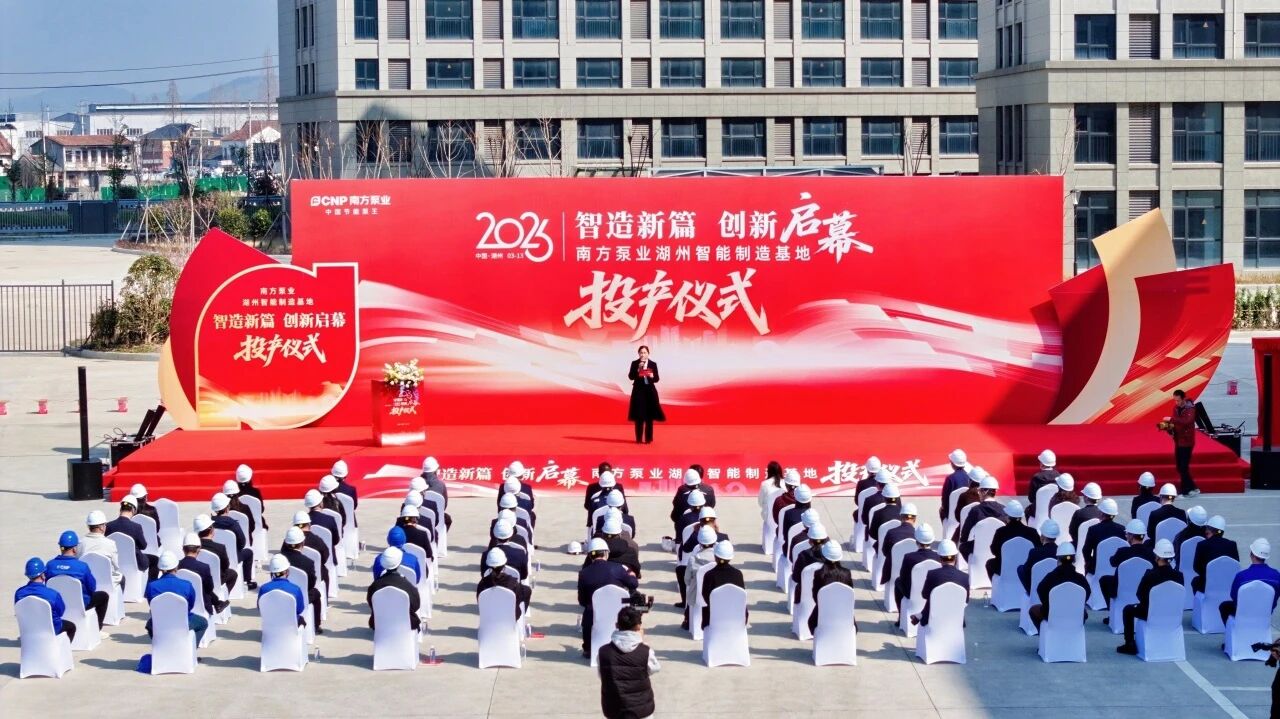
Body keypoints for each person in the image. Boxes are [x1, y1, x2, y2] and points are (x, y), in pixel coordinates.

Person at [1116, 539, 1184, 654]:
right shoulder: (1179, 576)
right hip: (1172, 614)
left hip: (1151, 613)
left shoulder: (1150, 575)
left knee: (1128, 610)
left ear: (1157, 556)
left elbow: (1140, 594)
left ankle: (1129, 643)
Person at [578, 537, 639, 658]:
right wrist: (632, 575)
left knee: (587, 611)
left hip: (595, 614)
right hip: (618, 613)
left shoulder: (583, 573)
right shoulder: (618, 568)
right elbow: (633, 584)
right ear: (606, 553)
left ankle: (588, 648)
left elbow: (582, 601)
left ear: (590, 555)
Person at [596, 607, 660, 719]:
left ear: (616, 625)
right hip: (642, 710)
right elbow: (655, 668)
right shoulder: (645, 651)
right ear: (638, 627)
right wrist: (642, 642)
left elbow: (602, 675)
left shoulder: (603, 652)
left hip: (614, 710)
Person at [46, 530, 110, 629]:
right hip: (80, 605)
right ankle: (98, 629)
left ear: (61, 547)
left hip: (57, 604)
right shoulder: (82, 567)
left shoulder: (50, 565)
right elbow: (92, 587)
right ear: (75, 549)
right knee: (103, 596)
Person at [145, 551, 209, 645]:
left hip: (161, 622)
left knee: (149, 625)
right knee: (203, 623)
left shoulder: (151, 586)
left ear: (160, 568)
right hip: (183, 622)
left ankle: (161, 646)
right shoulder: (187, 585)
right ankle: (190, 648)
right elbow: (190, 606)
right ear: (176, 567)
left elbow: (152, 605)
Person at [1028, 542, 1089, 629]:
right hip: (1075, 615)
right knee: (1084, 613)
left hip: (1053, 615)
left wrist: (1049, 606)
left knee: (1033, 610)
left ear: (1058, 560)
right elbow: (1087, 594)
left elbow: (1040, 591)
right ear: (1074, 560)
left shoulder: (1050, 577)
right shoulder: (1081, 578)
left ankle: (1045, 633)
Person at [1218, 539, 1280, 625]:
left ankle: (1233, 630)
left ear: (1252, 554)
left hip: (1244, 613)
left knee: (1224, 606)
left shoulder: (1241, 576)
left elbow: (1234, 596)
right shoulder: (1277, 575)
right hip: (1265, 614)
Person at [16, 557, 75, 642]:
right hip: (52, 629)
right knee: (72, 627)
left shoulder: (19, 594)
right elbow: (61, 612)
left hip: (30, 629)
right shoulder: (53, 594)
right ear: (43, 575)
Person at [1099, 519, 1157, 606]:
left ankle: (1111, 608)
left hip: (1123, 588)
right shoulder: (1151, 553)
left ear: (1131, 536)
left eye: (1127, 534)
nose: (1126, 536)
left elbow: (1112, 562)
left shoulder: (1122, 552)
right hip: (1143, 589)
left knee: (1104, 580)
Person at [280, 526, 325, 633]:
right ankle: (316, 625)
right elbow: (311, 584)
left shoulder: (279, 560)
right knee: (316, 593)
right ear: (303, 543)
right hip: (301, 597)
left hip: (282, 594)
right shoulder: (308, 562)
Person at [914, 540, 968, 627]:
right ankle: (920, 615)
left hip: (934, 619)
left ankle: (921, 615)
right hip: (956, 621)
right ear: (956, 557)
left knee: (934, 598)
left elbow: (925, 595)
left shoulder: (932, 574)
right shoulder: (965, 577)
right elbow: (965, 601)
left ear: (940, 558)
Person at [366, 547, 421, 631]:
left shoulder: (374, 586)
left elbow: (372, 605)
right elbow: (416, 606)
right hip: (406, 624)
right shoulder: (407, 585)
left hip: (380, 625)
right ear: (399, 563)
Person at [211, 492, 257, 590]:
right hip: (232, 557)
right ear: (227, 507)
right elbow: (242, 542)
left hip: (215, 556)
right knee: (249, 552)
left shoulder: (210, 523)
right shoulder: (232, 524)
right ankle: (247, 581)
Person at [106, 494, 158, 581]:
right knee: (155, 560)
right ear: (134, 510)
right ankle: (150, 585)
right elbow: (143, 546)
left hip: (115, 561)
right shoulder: (136, 527)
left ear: (121, 509)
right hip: (135, 561)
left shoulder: (108, 526)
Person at [177, 532, 227, 616]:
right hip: (203, 605)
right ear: (198, 549)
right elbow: (210, 588)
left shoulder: (177, 565)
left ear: (183, 549)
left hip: (183, 602)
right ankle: (217, 603)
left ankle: (218, 603)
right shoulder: (204, 567)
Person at [986, 500, 1038, 580]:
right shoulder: (1032, 532)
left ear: (1007, 516)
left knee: (989, 563)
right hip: (1026, 569)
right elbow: (1037, 549)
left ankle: (1000, 584)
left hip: (1005, 568)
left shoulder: (1001, 532)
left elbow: (994, 551)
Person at [810, 541, 854, 633]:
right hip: (844, 615)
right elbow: (850, 595)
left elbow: (815, 597)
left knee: (811, 622)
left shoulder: (819, 574)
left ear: (824, 555)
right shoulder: (847, 573)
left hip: (823, 614)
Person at [701, 541, 746, 630]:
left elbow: (706, 597)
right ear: (730, 558)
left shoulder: (709, 575)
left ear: (715, 556)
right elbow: (741, 596)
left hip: (714, 618)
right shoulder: (738, 574)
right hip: (736, 617)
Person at [957, 475, 1007, 555]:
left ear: (984, 492)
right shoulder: (1004, 510)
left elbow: (964, 536)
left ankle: (974, 561)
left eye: (979, 491)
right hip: (998, 550)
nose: (978, 493)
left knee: (962, 547)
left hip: (979, 550)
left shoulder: (975, 510)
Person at [896, 523, 941, 610]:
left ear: (916, 541)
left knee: (898, 581)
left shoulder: (909, 557)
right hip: (932, 594)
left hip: (912, 594)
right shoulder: (938, 557)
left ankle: (901, 614)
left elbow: (903, 578)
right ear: (932, 540)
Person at [477, 547, 531, 619]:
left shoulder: (482, 584)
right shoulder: (513, 583)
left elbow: (480, 601)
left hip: (489, 618)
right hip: (511, 619)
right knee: (527, 590)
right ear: (504, 565)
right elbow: (519, 598)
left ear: (489, 566)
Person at [1191, 515, 1240, 593]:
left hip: (1207, 585)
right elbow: (1236, 566)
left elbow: (1196, 567)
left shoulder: (1202, 545)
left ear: (1209, 530)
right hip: (1227, 584)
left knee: (1195, 581)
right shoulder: (1232, 545)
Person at [627, 344, 665, 443]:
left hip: (650, 391)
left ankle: (648, 439)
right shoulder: (635, 363)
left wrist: (652, 376)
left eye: (644, 353)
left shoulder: (653, 364)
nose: (643, 355)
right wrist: (638, 369)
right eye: (641, 353)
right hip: (638, 391)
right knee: (639, 415)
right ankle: (638, 439)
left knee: (649, 416)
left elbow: (657, 379)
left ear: (648, 353)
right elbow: (630, 377)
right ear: (638, 354)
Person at [1168, 389, 1201, 497]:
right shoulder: (1176, 408)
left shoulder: (1190, 408)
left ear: (1183, 399)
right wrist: (1169, 428)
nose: (1176, 402)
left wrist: (1172, 419)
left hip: (1187, 441)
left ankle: (1185, 491)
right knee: (1179, 466)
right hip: (1178, 440)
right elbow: (1174, 422)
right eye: (1175, 400)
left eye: (1178, 400)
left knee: (1183, 466)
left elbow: (1187, 421)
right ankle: (1193, 487)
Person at [78, 510, 122, 590]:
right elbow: (116, 566)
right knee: (122, 579)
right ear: (101, 527)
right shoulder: (110, 544)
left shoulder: (80, 543)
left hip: (87, 583)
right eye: (105, 525)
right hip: (106, 582)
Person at [258, 554, 307, 626]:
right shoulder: (296, 589)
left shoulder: (263, 589)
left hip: (270, 626)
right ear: (287, 572)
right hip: (291, 626)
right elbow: (300, 609)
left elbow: (260, 608)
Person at [1082, 499, 1126, 576]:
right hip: (1116, 570)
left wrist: (1091, 563)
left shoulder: (1093, 529)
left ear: (1102, 513)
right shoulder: (1122, 529)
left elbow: (1086, 550)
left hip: (1097, 569)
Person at [880, 503, 920, 586]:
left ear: (900, 517)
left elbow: (884, 552)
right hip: (911, 572)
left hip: (892, 569)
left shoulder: (891, 532)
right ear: (915, 519)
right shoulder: (918, 536)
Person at [195, 514, 237, 592]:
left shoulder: (194, 547)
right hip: (217, 580)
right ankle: (224, 595)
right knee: (233, 574)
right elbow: (226, 566)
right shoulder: (220, 547)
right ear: (211, 530)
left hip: (199, 577)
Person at [792, 524, 832, 605]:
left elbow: (796, 578)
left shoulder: (803, 555)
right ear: (826, 539)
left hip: (804, 596)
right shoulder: (831, 556)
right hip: (826, 598)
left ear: (810, 540)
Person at [1018, 520, 1062, 592]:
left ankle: (1030, 592)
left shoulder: (1034, 552)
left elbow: (1026, 572)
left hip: (1036, 590)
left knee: (1020, 569)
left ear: (1043, 536)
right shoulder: (1061, 553)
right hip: (1053, 589)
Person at [304, 489, 342, 556]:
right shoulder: (330, 519)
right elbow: (336, 540)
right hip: (329, 557)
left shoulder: (303, 521)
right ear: (321, 503)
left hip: (309, 556)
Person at [869, 483, 904, 553]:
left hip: (882, 549)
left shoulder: (877, 513)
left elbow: (873, 534)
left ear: (884, 497)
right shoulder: (903, 515)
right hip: (900, 549)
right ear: (897, 498)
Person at [1025, 449, 1060, 518]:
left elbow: (1031, 498)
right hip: (1055, 510)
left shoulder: (1036, 477)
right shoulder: (1059, 476)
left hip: (1039, 511)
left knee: (1027, 511)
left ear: (1041, 463)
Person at [938, 449, 970, 522]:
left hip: (952, 517)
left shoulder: (950, 479)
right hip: (967, 516)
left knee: (941, 510)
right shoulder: (970, 477)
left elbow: (944, 500)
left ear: (952, 463)